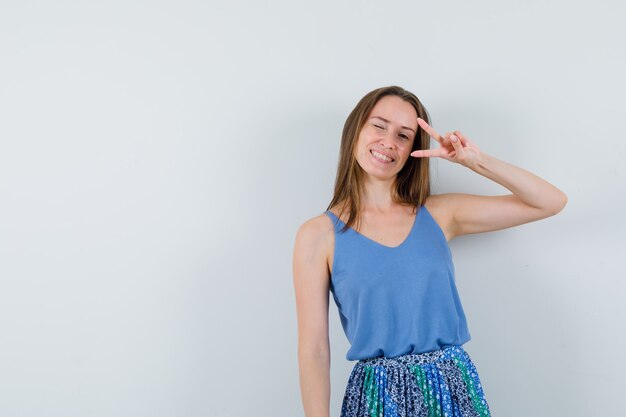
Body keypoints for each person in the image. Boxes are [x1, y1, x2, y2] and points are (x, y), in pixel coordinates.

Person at [292, 85, 567, 417]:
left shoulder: (440, 215)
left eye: (404, 135)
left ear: (412, 149)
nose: (389, 142)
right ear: (356, 129)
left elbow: (550, 202)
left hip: (451, 388)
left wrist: (475, 162)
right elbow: (314, 351)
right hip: (378, 398)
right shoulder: (318, 235)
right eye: (379, 126)